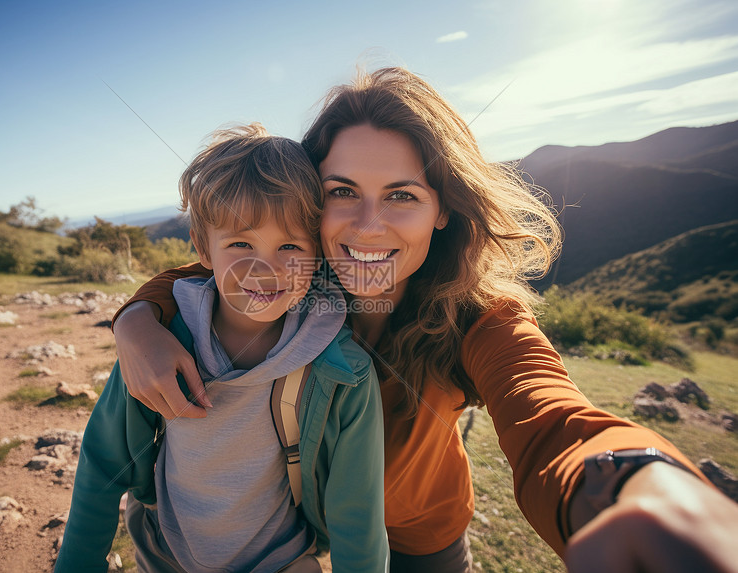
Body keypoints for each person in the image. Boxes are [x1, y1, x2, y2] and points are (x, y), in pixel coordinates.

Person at [111, 68, 738, 572]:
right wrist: (136, 320)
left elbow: (550, 415)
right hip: (298, 528)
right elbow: (203, 277)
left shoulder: (480, 317)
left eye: (402, 196)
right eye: (342, 192)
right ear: (309, 206)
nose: (367, 225)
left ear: (443, 209)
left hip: (420, 533)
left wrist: (637, 488)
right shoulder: (295, 278)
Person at [55, 124, 388, 573]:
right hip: (167, 553)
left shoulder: (345, 372)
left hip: (282, 560)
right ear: (202, 248)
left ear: (317, 254)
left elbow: (358, 513)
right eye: (240, 244)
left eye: (290, 245)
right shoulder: (158, 344)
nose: (265, 269)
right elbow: (102, 462)